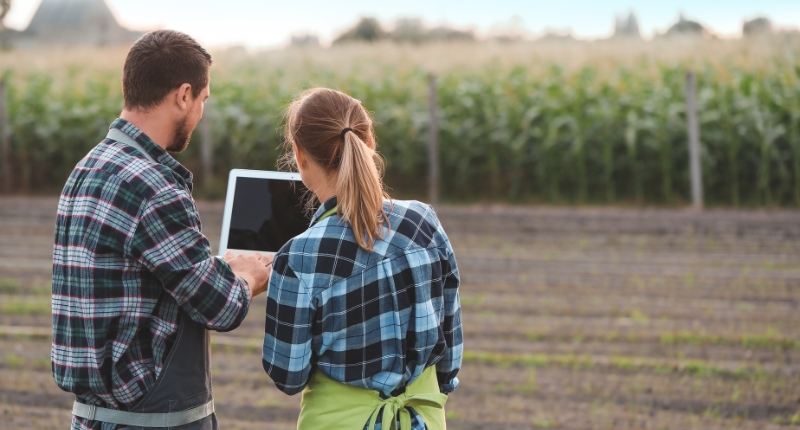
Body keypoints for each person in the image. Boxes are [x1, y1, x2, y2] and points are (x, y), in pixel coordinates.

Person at [51, 30, 272, 430]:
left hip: (92, 418)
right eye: (203, 100)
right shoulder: (154, 186)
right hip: (152, 422)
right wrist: (245, 275)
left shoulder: (87, 169)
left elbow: (148, 273)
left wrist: (212, 267)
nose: (201, 112)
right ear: (183, 94)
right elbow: (219, 306)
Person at [261, 88, 463, 430]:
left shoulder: (297, 257)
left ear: (300, 156)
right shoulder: (424, 222)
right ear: (370, 144)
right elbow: (450, 339)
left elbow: (288, 376)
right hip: (423, 418)